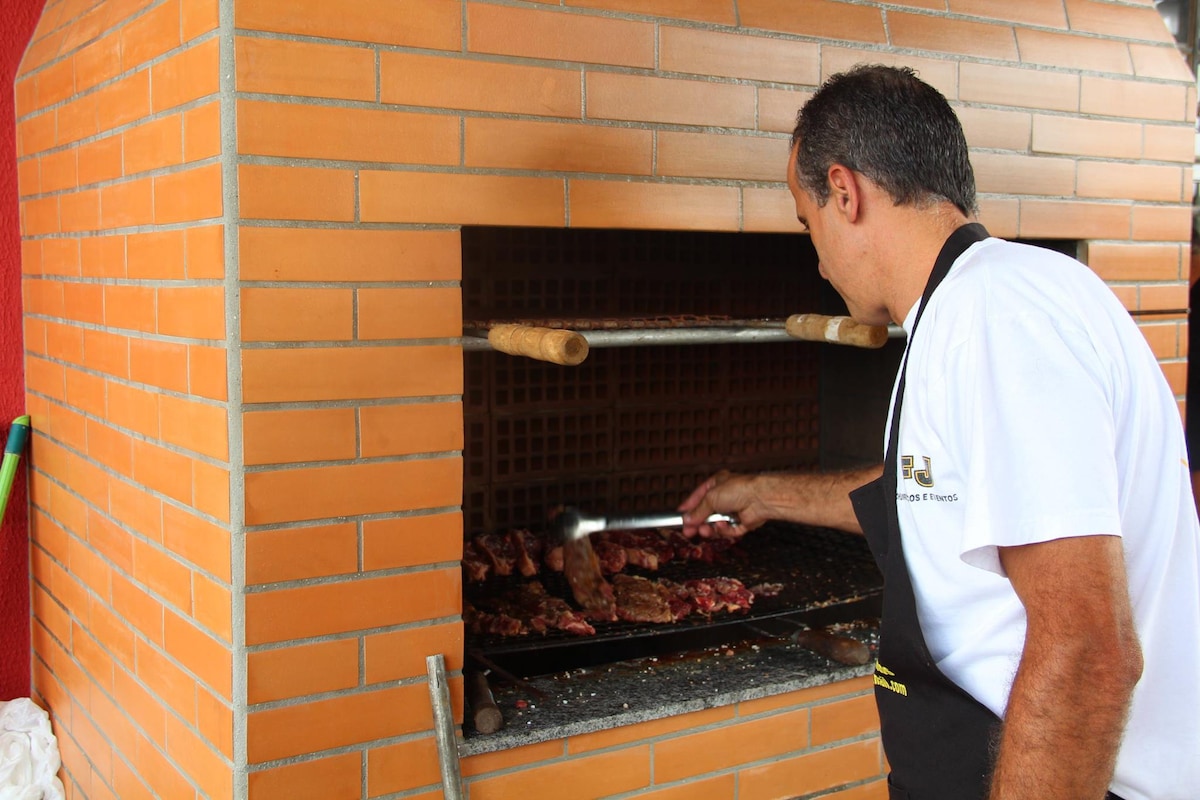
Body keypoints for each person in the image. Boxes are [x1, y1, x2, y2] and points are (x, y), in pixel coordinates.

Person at [679, 65, 1200, 800]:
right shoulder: (980, 306)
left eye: (808, 222)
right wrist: (767, 492)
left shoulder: (994, 318)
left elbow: (1088, 648)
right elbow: (934, 493)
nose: (818, 258)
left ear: (846, 192)